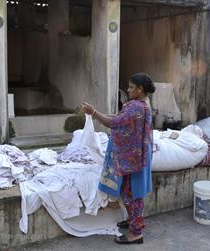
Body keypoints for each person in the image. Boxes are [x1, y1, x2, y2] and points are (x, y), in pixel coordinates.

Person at [82, 73, 155, 245]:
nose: (128, 90)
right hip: (139, 155)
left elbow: (114, 123)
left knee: (131, 193)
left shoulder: (136, 107)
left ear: (140, 89)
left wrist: (94, 113)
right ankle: (133, 221)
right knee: (133, 192)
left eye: (131, 87)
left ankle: (136, 232)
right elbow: (122, 120)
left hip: (133, 159)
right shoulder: (142, 104)